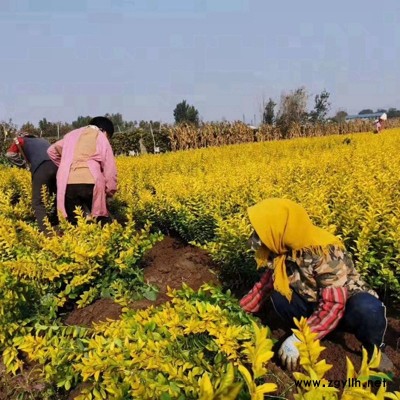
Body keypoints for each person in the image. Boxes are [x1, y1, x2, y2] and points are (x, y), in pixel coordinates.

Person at [240, 198, 392, 372]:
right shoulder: (280, 249)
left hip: (344, 306)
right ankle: (319, 328)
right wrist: (237, 311)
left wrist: (300, 338)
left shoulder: (324, 251)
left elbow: (334, 305)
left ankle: (374, 349)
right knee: (278, 295)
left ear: (278, 229)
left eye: (259, 234)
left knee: (367, 308)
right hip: (312, 302)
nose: (256, 241)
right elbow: (264, 286)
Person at [47, 116, 117, 225]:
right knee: (100, 219)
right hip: (91, 182)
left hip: (68, 183)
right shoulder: (100, 136)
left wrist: (66, 165)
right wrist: (110, 189)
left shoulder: (70, 135)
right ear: (104, 130)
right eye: (108, 136)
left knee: (75, 222)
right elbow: (109, 167)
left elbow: (51, 150)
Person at [5, 133, 58, 233]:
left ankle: (47, 233)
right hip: (57, 166)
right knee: (55, 196)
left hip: (41, 167)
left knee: (38, 202)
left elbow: (10, 154)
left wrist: (23, 165)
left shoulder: (20, 140)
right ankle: (58, 224)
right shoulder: (43, 141)